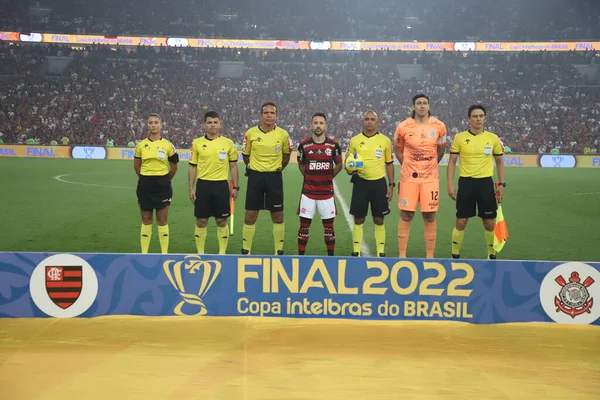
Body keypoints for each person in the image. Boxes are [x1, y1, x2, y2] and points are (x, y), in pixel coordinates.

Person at [447, 104, 506, 259]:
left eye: (481, 116)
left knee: (489, 222)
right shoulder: (459, 138)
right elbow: (452, 161)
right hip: (466, 183)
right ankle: (455, 255)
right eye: (475, 116)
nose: (478, 119)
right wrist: (450, 184)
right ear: (469, 118)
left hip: (485, 183)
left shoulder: (493, 138)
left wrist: (501, 184)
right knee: (461, 220)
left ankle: (491, 255)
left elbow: (500, 162)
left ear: (485, 118)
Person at [394, 94, 447, 258]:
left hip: (430, 179)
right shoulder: (403, 127)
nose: (422, 106)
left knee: (430, 216)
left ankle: (430, 255)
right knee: (406, 214)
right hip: (409, 178)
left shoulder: (439, 126)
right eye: (419, 103)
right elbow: (398, 150)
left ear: (429, 106)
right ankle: (402, 254)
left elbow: (441, 149)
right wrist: (408, 166)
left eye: (425, 103)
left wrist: (429, 166)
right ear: (413, 107)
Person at [241, 102, 292, 255]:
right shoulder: (250, 133)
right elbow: (246, 156)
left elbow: (286, 156)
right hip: (255, 177)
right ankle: (246, 250)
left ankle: (278, 251)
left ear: (276, 116)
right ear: (260, 115)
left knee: (277, 214)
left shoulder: (283, 134)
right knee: (250, 214)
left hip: (274, 177)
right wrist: (257, 168)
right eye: (266, 113)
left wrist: (276, 169)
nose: (269, 115)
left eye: (272, 113)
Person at [188, 111, 239, 255]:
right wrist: (191, 188)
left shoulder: (228, 143)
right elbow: (193, 166)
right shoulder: (197, 143)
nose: (212, 125)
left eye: (215, 122)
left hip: (221, 186)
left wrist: (235, 186)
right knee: (201, 221)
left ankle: (222, 253)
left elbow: (233, 166)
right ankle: (200, 254)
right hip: (203, 185)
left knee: (221, 220)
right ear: (204, 125)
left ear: (220, 124)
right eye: (209, 122)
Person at [346, 111, 395, 257]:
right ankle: (356, 251)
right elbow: (348, 163)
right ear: (362, 121)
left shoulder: (385, 141)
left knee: (379, 219)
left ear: (377, 121)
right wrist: (350, 169)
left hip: (379, 184)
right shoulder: (355, 140)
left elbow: (389, 164)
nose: (369, 122)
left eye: (372, 119)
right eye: (367, 119)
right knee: (359, 218)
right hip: (361, 183)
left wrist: (391, 185)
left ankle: (380, 251)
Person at [297, 113, 343, 256]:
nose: (318, 125)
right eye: (315, 122)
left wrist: (329, 177)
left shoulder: (333, 145)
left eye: (321, 123)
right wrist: (309, 177)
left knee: (329, 229)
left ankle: (331, 258)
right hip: (308, 194)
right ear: (311, 125)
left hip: (326, 194)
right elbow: (301, 164)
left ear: (325, 126)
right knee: (304, 228)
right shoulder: (304, 145)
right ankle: (300, 257)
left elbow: (339, 164)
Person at [134, 113, 179, 254]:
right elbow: (137, 166)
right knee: (146, 220)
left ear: (161, 125)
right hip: (145, 184)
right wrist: (146, 178)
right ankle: (144, 253)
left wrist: (165, 180)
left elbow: (174, 166)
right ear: (147, 125)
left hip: (162, 185)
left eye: (156, 122)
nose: (153, 125)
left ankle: (164, 253)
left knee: (162, 220)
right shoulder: (141, 145)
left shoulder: (168, 145)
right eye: (150, 122)